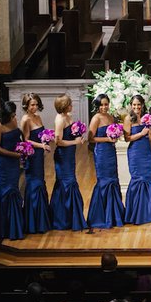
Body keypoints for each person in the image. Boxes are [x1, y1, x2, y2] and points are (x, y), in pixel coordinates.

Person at [0, 101, 25, 240]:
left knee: (13, 189)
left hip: (13, 162)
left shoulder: (13, 121)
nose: (15, 116)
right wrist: (15, 155)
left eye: (15, 114)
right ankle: (1, 227)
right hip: (3, 163)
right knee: (4, 190)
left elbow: (16, 137)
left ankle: (14, 225)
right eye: (13, 114)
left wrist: (23, 149)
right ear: (6, 114)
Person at [87, 94, 125, 229]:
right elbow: (91, 139)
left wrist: (116, 136)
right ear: (97, 106)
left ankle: (115, 215)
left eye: (106, 104)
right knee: (104, 181)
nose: (104, 107)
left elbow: (115, 132)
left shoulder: (110, 117)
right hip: (101, 152)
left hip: (111, 151)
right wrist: (107, 140)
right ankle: (102, 216)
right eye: (101, 105)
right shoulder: (96, 118)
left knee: (113, 179)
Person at [50, 94, 87, 231]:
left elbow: (71, 134)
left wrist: (79, 137)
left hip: (70, 155)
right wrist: (74, 142)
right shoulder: (60, 120)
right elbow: (57, 141)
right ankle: (63, 219)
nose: (72, 106)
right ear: (64, 106)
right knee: (66, 183)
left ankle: (72, 217)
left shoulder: (68, 116)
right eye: (70, 104)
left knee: (71, 181)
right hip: (63, 156)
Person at [20, 93, 52, 234]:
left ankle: (41, 220)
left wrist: (46, 139)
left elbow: (41, 134)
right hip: (32, 156)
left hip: (39, 155)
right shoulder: (25, 120)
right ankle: (33, 222)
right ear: (26, 106)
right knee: (34, 184)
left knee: (40, 182)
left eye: (36, 104)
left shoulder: (38, 117)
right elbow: (25, 140)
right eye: (32, 104)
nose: (34, 107)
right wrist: (41, 146)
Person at [124, 94, 151, 225]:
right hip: (135, 152)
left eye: (139, 104)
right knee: (138, 178)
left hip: (146, 152)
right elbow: (127, 138)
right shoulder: (128, 119)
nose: (137, 107)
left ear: (142, 105)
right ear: (131, 106)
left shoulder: (146, 118)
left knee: (148, 178)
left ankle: (149, 213)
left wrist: (148, 131)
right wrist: (141, 133)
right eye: (134, 105)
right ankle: (135, 213)